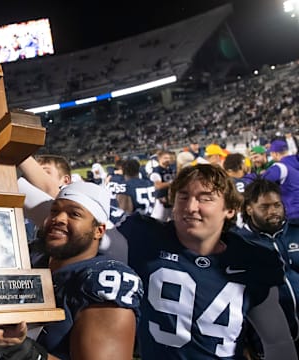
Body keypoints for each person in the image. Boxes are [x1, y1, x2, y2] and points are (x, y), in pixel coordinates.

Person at [110, 164, 297, 359]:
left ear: (230, 209)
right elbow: (93, 243)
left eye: (205, 198)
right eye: (183, 197)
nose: (190, 207)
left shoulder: (254, 259)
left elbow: (277, 341)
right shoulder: (143, 237)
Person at [0, 182, 144, 360]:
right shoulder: (30, 257)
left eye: (74, 214)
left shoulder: (104, 278)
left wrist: (20, 350)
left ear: (99, 231)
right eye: (54, 210)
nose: (58, 219)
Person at [232, 178, 299, 355]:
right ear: (249, 208)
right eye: (264, 207)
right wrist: (243, 344)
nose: (273, 211)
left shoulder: (296, 231)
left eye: (277, 205)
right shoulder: (237, 243)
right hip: (267, 342)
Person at [261, 139, 299, 220]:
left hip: (292, 214)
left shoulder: (280, 167)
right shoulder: (295, 163)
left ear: (275, 153)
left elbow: (261, 183)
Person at [149, 149, 175, 221]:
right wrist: (172, 183)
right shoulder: (156, 170)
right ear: (159, 159)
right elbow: (158, 186)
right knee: (160, 221)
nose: (168, 160)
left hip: (170, 199)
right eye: (165, 158)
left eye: (169, 158)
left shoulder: (170, 169)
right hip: (160, 200)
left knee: (173, 221)